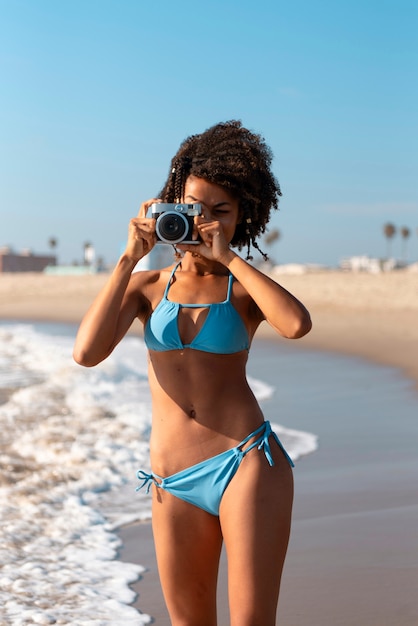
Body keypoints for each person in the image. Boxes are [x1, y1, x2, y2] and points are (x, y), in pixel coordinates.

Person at [73, 120, 312, 626]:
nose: (205, 222)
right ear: (170, 206)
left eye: (220, 211)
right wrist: (127, 259)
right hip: (172, 479)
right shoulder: (148, 286)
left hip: (246, 464)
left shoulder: (244, 290)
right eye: (194, 209)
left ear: (243, 215)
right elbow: (87, 353)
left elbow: (296, 325)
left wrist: (227, 257)